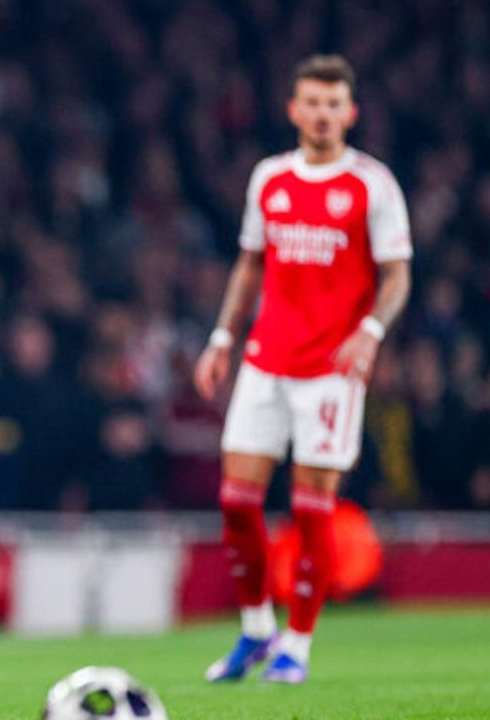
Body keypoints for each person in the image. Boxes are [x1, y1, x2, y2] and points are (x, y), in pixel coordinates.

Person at [194, 55, 411, 684]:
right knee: (236, 502)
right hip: (266, 359)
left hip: (330, 369)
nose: (322, 114)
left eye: (333, 104)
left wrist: (371, 332)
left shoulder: (373, 185)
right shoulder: (270, 177)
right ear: (293, 109)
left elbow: (397, 276)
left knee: (312, 508)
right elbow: (249, 263)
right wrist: (221, 338)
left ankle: (298, 644)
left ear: (351, 112)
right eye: (312, 103)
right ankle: (256, 629)